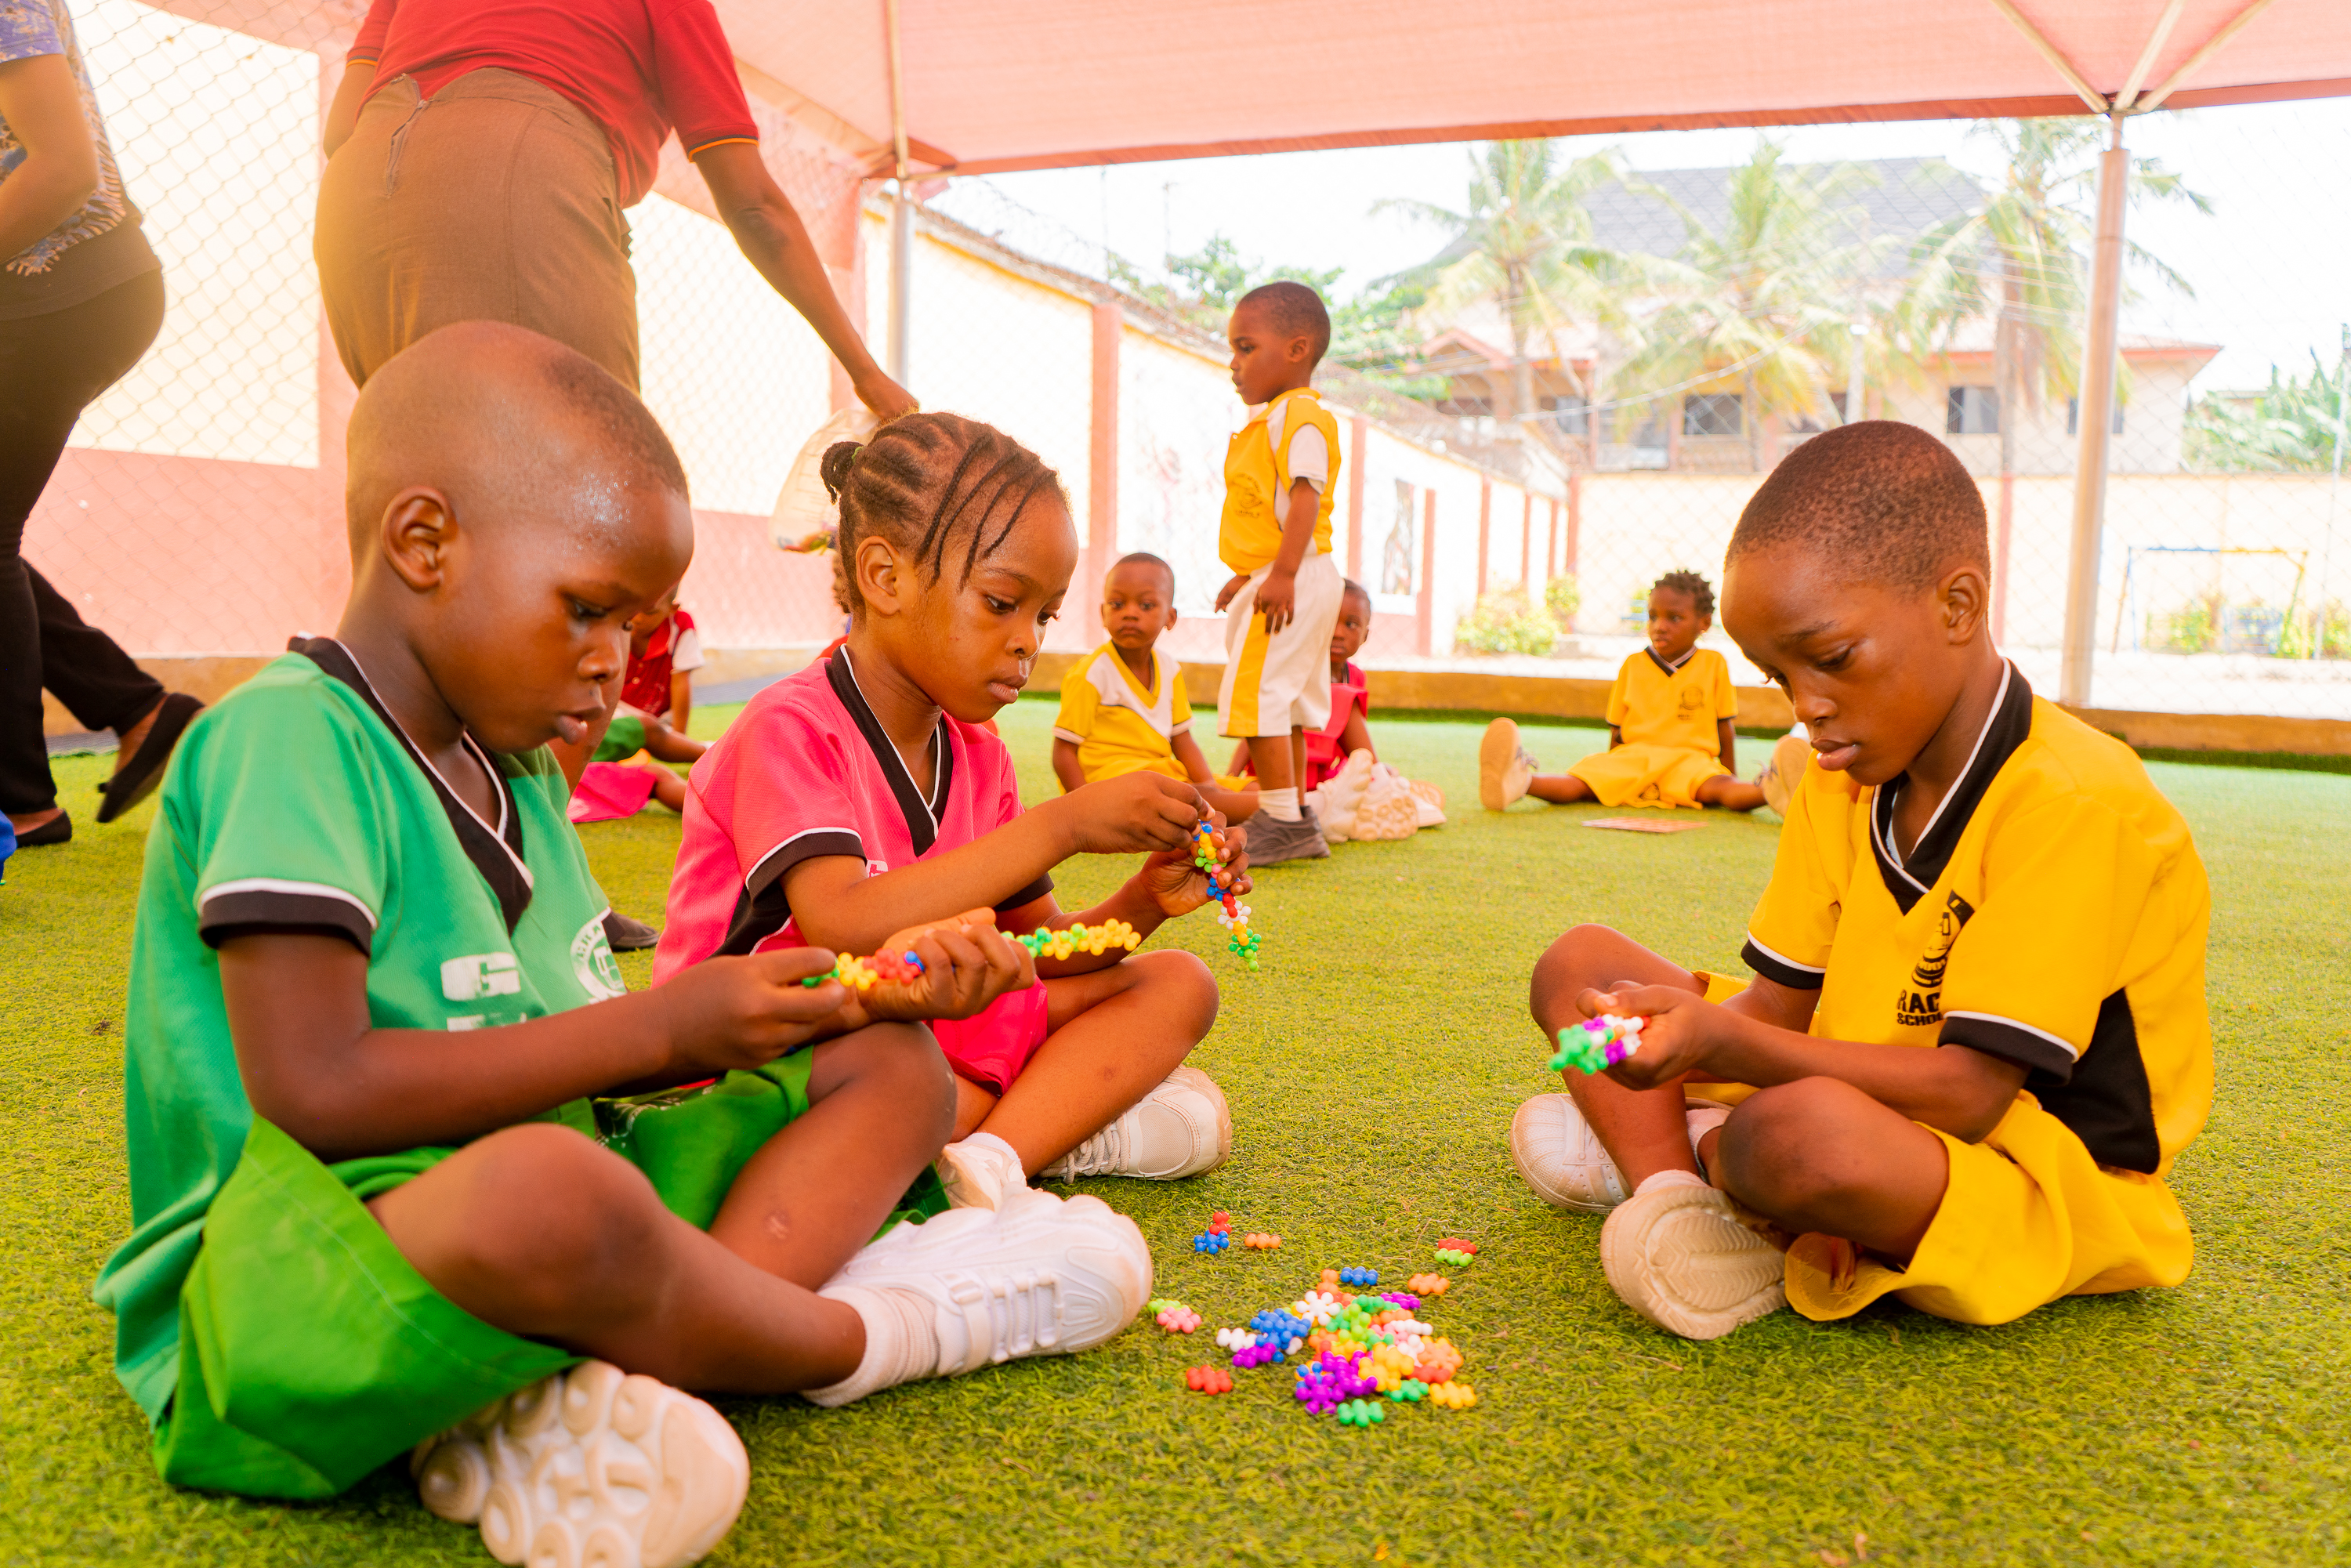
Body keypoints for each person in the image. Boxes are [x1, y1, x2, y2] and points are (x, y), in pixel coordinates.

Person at [90, 325, 1150, 1565]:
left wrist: (796, 1007)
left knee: (894, 1066)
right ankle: (873, 1332)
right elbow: (316, 1093)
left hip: (561, 1185)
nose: (613, 668)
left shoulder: (519, 769)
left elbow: (570, 1058)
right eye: (588, 612)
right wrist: (666, 1023)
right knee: (558, 1193)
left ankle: (590, 1379)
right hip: (296, 1265)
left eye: (637, 627)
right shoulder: (289, 737)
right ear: (423, 545)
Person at [1508, 421, 2212, 1343]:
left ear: (1958, 604)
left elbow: (1969, 1096)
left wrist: (1718, 1052)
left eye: (1832, 659)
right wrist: (1681, 1037)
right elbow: (1779, 1014)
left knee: (1797, 1141)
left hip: (2023, 1165)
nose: (1806, 706)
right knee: (1578, 964)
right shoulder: (1838, 777)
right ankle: (1676, 1194)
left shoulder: (2076, 802)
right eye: (1778, 675)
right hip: (1847, 1077)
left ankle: (1677, 1147)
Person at [652, 415, 1244, 1215]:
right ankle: (1036, 1131)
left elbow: (1041, 952)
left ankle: (992, 1166)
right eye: (1002, 602)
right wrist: (1065, 825)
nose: (1026, 642)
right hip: (767, 1058)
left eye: (1043, 615)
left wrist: (1146, 903)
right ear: (885, 578)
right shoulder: (788, 727)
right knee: (911, 1067)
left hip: (927, 1033)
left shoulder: (979, 753)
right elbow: (840, 923)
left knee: (1178, 984)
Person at [314, 0, 911, 420]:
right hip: (514, 177)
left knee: (421, 495)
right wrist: (866, 373)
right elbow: (756, 209)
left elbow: (342, 127)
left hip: (357, 204)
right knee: (603, 511)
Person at [2, 1, 202, 846]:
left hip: (67, 288)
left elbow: (63, 168)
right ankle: (134, 707)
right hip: (60, 290)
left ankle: (20, 799)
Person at [1212, 281, 1346, 864]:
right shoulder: (1277, 419)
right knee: (1284, 699)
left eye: (1246, 347)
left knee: (1261, 692)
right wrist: (1251, 573)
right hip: (1286, 571)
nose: (1234, 364)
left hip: (1296, 574)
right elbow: (1275, 508)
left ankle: (1281, 819)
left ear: (1296, 350)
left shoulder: (1300, 417)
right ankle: (1296, 814)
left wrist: (1283, 574)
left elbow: (1305, 498)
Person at [1480, 570, 1790, 816]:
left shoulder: (1714, 664)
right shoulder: (1632, 665)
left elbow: (1725, 725)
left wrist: (1727, 775)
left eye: (1674, 618)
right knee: (1583, 782)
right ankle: (1519, 781)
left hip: (1689, 762)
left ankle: (1772, 789)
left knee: (1719, 789)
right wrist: (1611, 772)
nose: (1659, 626)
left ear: (1704, 623)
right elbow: (1617, 730)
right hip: (1634, 759)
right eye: (1653, 616)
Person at [1231, 579, 1443, 842]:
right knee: (1255, 796)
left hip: (1326, 775)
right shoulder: (1300, 670)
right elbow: (1261, 726)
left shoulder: (1355, 677)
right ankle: (1378, 789)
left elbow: (1349, 743)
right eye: (1330, 621)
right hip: (1285, 770)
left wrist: (1357, 772)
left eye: (1351, 624)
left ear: (1365, 635)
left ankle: (1376, 786)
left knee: (1358, 772)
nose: (1338, 632)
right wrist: (1230, 776)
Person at [1052, 551, 1255, 823]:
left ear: (1170, 617)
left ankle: (1280, 810)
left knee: (1245, 788)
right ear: (1103, 614)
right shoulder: (1091, 673)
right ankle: (1288, 812)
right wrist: (1084, 810)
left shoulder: (1169, 670)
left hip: (1162, 776)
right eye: (1117, 604)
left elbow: (1182, 740)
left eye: (1146, 605)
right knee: (1201, 799)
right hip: (1115, 788)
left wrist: (1208, 784)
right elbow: (1064, 752)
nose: (1130, 614)